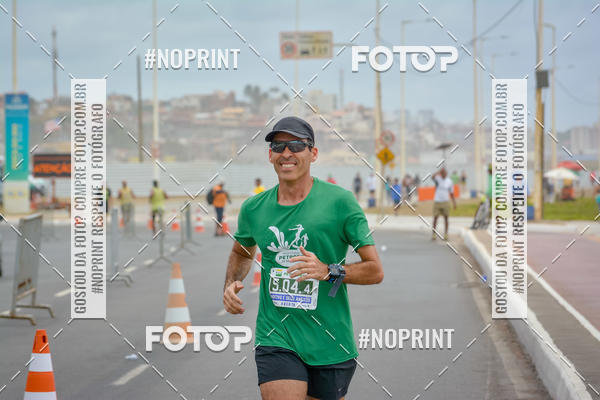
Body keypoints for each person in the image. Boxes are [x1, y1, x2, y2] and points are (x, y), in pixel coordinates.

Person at [223, 116, 383, 400]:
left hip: (330, 341)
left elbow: (374, 270)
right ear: (270, 155)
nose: (286, 153)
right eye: (278, 146)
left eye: (296, 145)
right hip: (276, 335)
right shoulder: (254, 208)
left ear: (313, 153)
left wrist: (329, 271)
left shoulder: (340, 202)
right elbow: (241, 251)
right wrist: (231, 283)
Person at [432, 167, 456, 241]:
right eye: (442, 173)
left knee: (446, 218)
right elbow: (432, 177)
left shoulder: (449, 181)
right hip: (437, 201)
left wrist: (454, 203)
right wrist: (438, 172)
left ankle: (446, 234)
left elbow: (451, 193)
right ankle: (434, 233)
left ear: (446, 173)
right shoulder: (438, 179)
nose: (443, 174)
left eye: (444, 173)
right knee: (435, 218)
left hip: (445, 201)